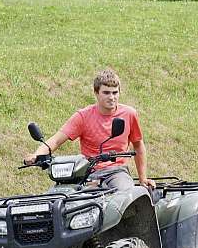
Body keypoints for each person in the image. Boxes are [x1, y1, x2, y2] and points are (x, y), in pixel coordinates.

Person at [24, 68, 156, 191]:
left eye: (115, 92)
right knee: (65, 198)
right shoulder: (83, 116)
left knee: (126, 195)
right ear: (96, 93)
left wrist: (142, 178)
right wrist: (36, 155)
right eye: (106, 92)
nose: (111, 97)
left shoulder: (129, 114)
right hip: (88, 172)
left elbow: (138, 146)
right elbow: (56, 140)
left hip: (117, 171)